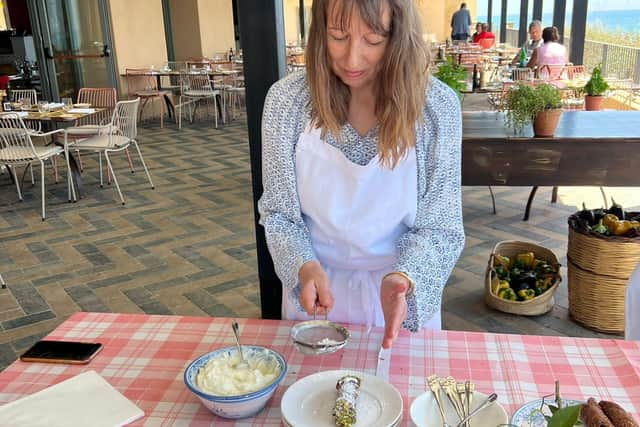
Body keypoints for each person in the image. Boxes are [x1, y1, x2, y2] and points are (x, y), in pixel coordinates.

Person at [259, 0, 465, 349]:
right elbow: (280, 215)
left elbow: (441, 226)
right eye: (338, 37)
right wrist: (302, 266)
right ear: (320, 31)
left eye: (373, 40)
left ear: (399, 36)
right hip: (316, 292)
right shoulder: (287, 102)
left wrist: (406, 278)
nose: (352, 59)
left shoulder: (435, 108)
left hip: (401, 293)